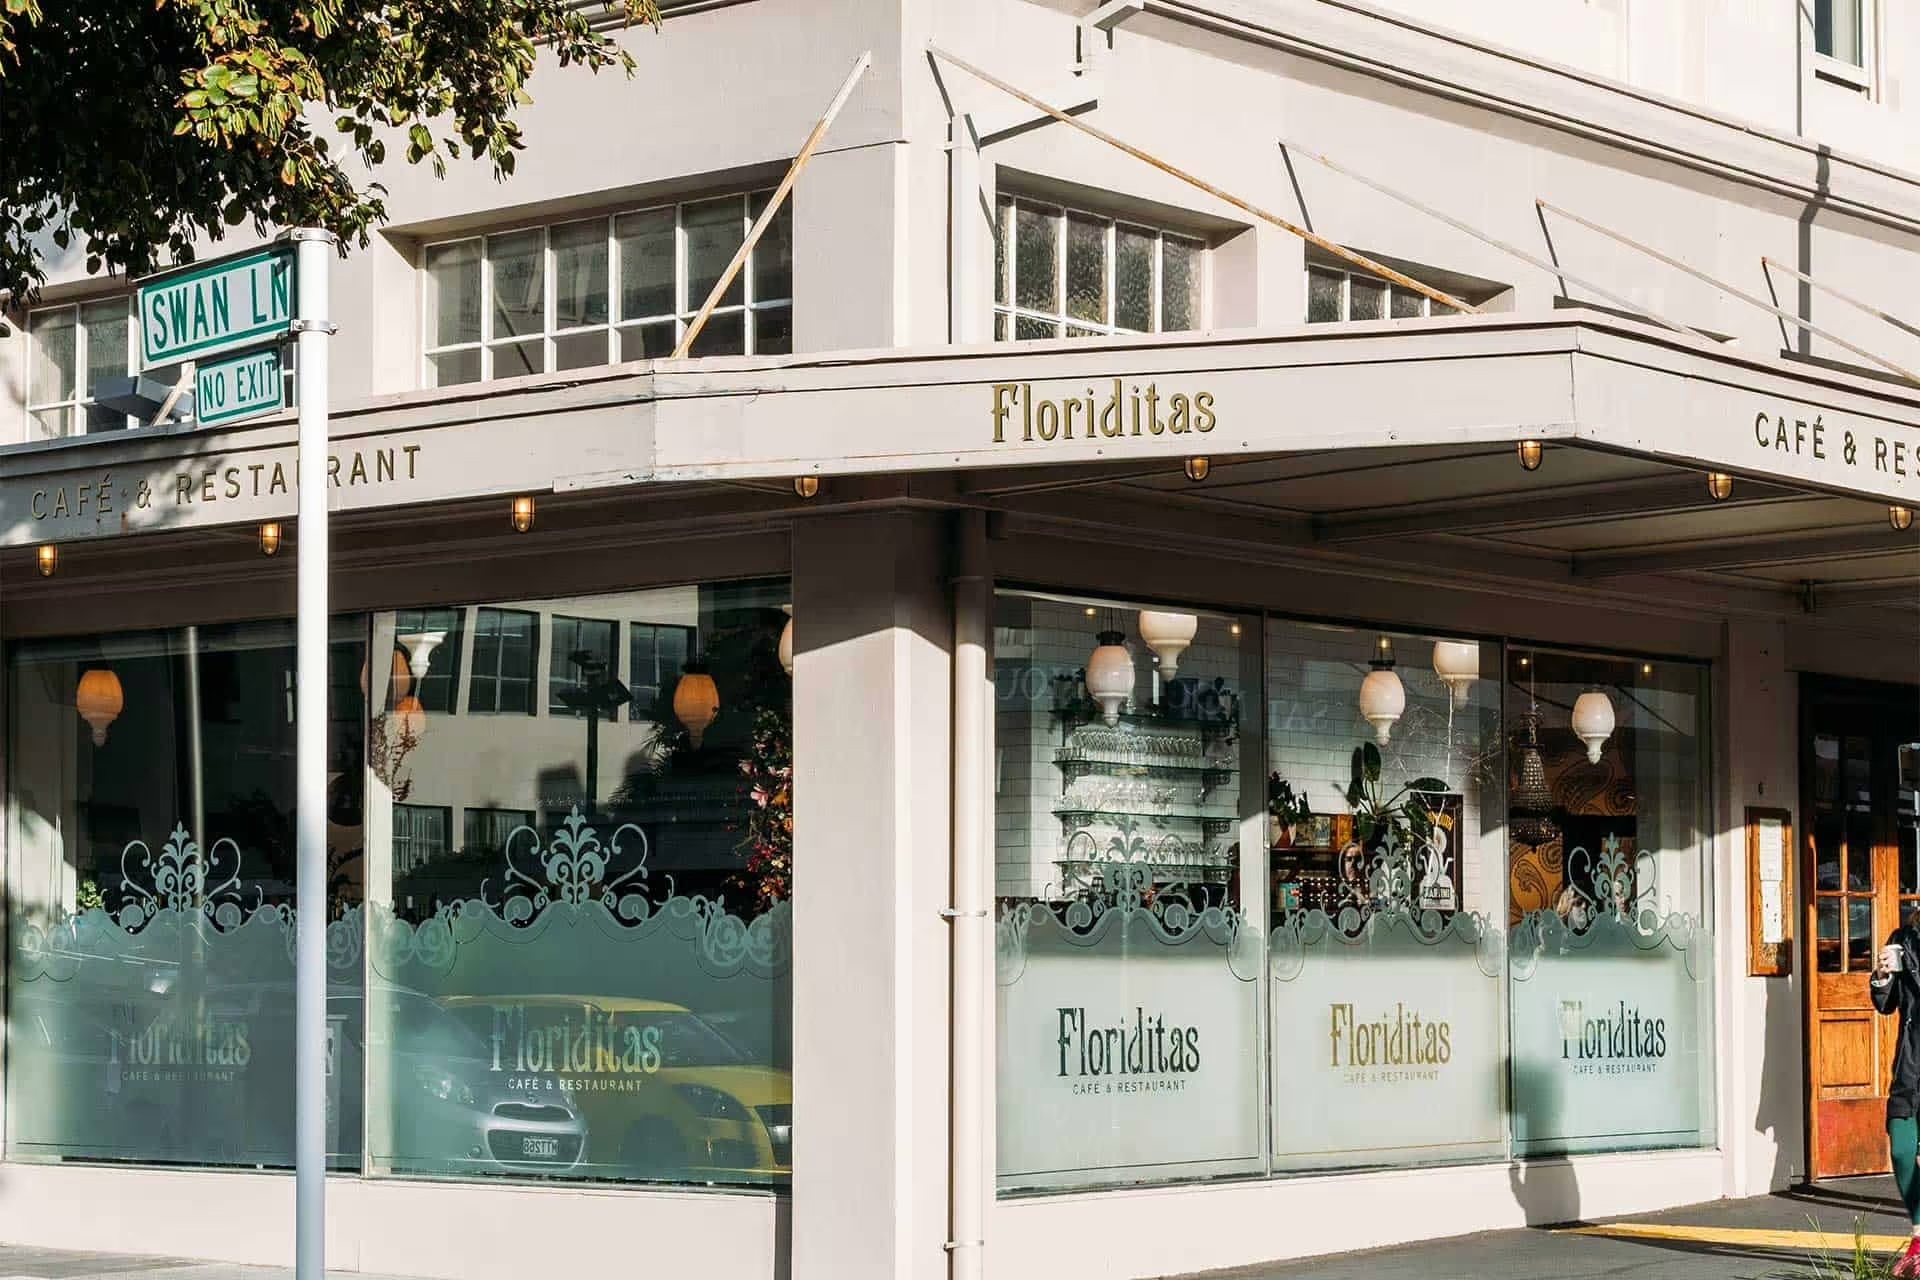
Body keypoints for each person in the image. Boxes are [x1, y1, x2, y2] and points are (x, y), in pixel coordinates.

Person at [1873, 924, 1920, 1276]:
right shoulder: (1904, 939)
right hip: (1911, 1067)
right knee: (1902, 1149)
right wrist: (1882, 976)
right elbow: (1885, 1005)